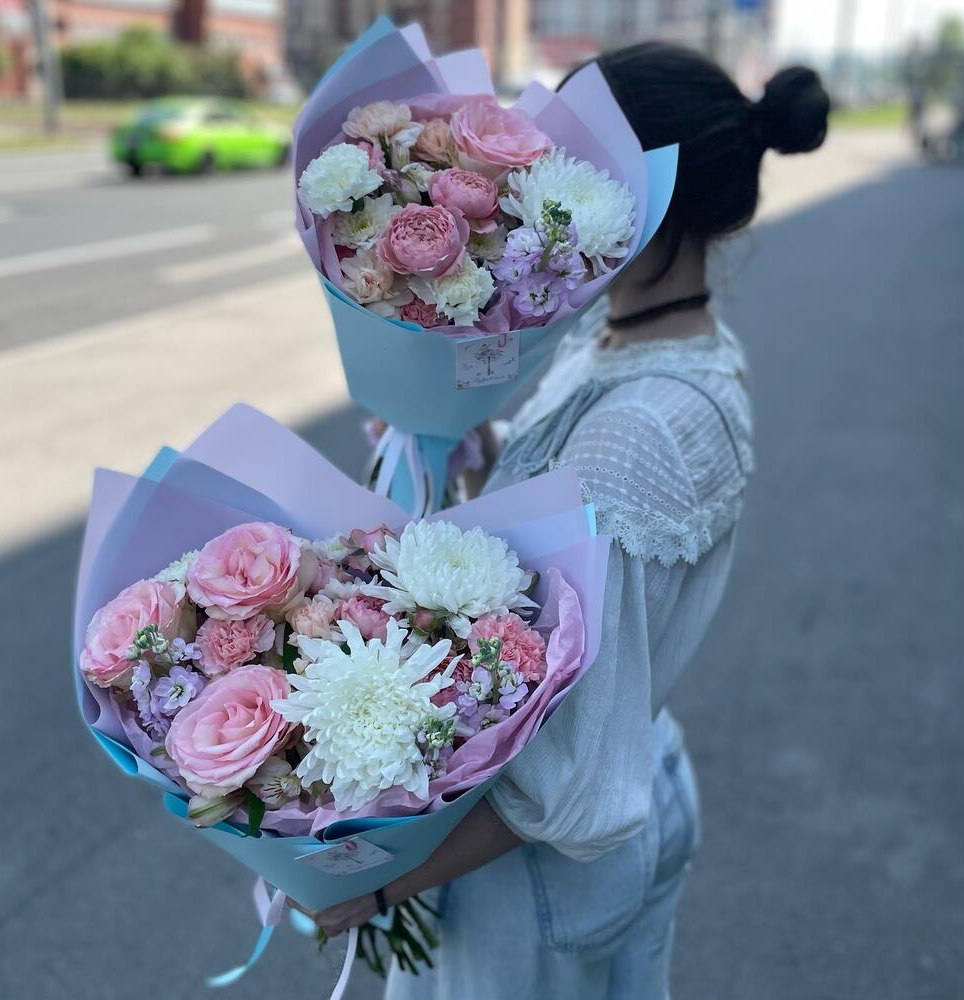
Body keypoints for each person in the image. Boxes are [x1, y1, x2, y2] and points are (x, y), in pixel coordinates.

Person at [293, 43, 829, 999]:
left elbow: (566, 772)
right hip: (638, 776)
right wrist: (470, 444)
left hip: (536, 870)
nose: (527, 194)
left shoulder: (636, 431)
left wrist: (373, 886)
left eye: (564, 165)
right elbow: (569, 544)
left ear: (643, 196)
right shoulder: (636, 339)